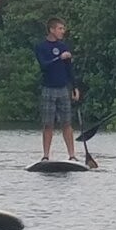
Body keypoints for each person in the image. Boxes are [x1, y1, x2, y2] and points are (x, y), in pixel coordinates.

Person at [34, 18, 80, 162]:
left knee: (67, 123)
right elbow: (43, 65)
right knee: (48, 124)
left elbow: (69, 69)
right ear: (52, 30)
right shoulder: (41, 47)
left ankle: (72, 155)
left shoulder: (63, 46)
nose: (62, 31)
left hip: (63, 88)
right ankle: (46, 156)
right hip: (48, 88)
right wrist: (58, 58)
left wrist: (75, 87)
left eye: (63, 28)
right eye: (60, 28)